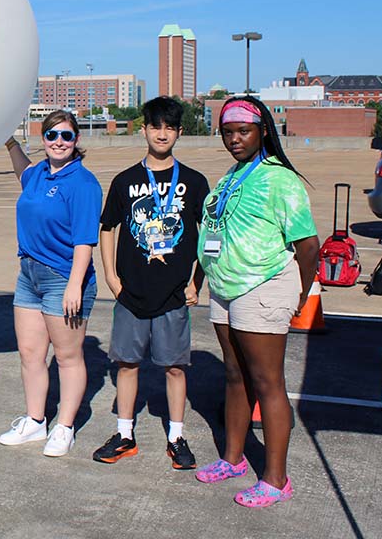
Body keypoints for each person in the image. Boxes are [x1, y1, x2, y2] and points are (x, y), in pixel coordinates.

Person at [195, 96, 319, 508]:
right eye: (228, 132)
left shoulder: (280, 179)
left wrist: (298, 294)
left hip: (262, 286)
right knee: (234, 375)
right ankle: (232, 458)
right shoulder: (232, 175)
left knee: (268, 383)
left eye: (243, 131)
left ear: (263, 130)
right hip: (226, 287)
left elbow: (308, 245)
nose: (234, 139)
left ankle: (275, 478)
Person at [90, 97, 209, 469]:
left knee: (175, 367)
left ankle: (176, 436)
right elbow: (107, 227)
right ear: (143, 129)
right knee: (127, 364)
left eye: (170, 127)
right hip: (131, 293)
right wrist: (111, 276)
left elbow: (208, 235)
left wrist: (197, 282)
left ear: (179, 132)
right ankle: (125, 433)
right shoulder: (126, 181)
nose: (162, 134)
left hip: (174, 294)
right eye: (155, 126)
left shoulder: (193, 182)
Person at [0, 110, 102, 457]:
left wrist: (75, 285)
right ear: (43, 139)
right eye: (52, 135)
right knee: (30, 354)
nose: (59, 142)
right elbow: (21, 170)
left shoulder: (83, 183)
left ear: (76, 141)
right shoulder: (39, 174)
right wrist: (9, 140)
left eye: (66, 136)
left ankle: (65, 427)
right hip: (29, 275)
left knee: (68, 356)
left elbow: (85, 241)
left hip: (63, 277)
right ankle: (35, 420)